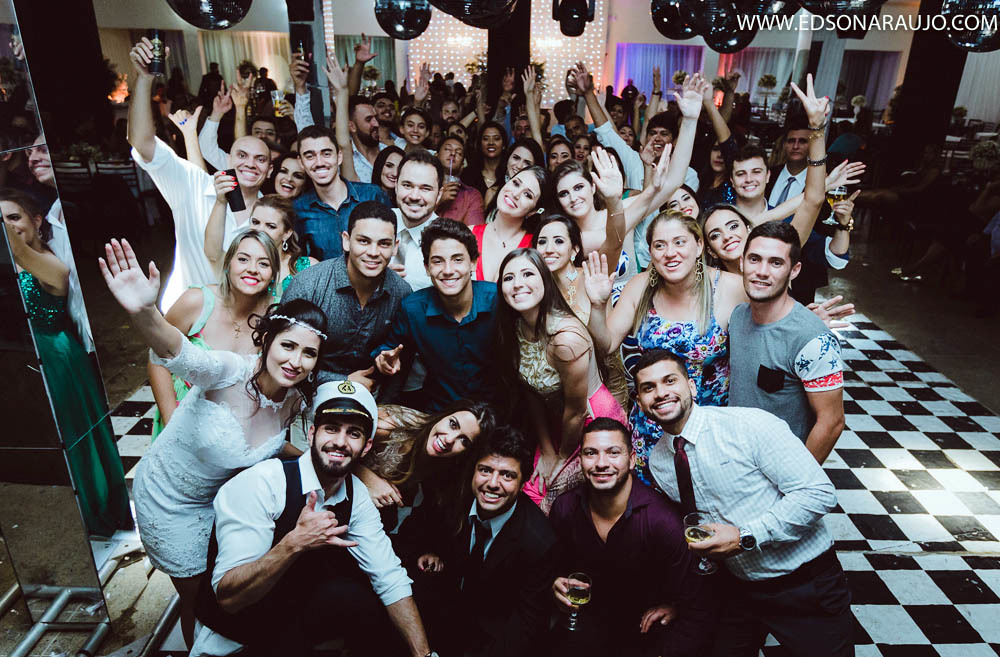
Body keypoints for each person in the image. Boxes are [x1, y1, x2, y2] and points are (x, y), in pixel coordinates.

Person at [98, 238, 327, 646]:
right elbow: (176, 351)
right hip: (168, 499)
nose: (296, 361)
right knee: (200, 600)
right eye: (287, 346)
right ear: (268, 342)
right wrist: (144, 312)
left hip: (218, 500)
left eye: (308, 353)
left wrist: (325, 460)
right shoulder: (228, 370)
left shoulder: (294, 399)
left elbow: (278, 447)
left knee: (231, 590)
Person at [191, 381, 437, 657]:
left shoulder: (356, 497)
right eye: (331, 428)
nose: (340, 442)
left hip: (288, 627)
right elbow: (229, 600)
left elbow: (388, 576)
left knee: (365, 599)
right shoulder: (263, 483)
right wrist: (293, 543)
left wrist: (424, 654)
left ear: (366, 447)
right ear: (311, 434)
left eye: (353, 433)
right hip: (232, 636)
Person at [634, 349, 851, 657]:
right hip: (738, 590)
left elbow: (818, 493)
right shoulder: (659, 462)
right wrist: (678, 599)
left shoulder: (748, 426)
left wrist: (745, 536)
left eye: (670, 380)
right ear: (641, 404)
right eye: (648, 388)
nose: (661, 393)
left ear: (692, 387)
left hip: (805, 584)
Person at [2, 191, 131, 538]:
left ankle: (96, 510)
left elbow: (17, 249)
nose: (9, 226)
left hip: (57, 359)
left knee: (73, 434)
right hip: (17, 363)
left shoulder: (54, 265)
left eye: (14, 217)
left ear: (36, 222)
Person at [547, 418, 717, 657]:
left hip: (646, 634)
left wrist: (675, 607)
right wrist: (555, 583)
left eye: (613, 452)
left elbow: (698, 609)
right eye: (591, 453)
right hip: (590, 628)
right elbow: (549, 571)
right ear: (580, 461)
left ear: (631, 459)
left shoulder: (660, 521)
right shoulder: (566, 508)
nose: (601, 463)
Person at [129, 38, 272, 309]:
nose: (251, 164)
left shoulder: (269, 215)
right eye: (241, 156)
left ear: (269, 169)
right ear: (226, 160)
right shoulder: (194, 185)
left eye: (260, 159)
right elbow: (141, 142)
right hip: (186, 321)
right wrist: (144, 78)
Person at [409, 426, 559, 657]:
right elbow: (413, 531)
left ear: (522, 483)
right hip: (441, 613)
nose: (492, 483)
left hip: (492, 637)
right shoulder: (452, 497)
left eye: (507, 475)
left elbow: (525, 626)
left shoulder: (539, 542)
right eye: (485, 470)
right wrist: (425, 551)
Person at [496, 248, 627, 512]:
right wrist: (545, 450)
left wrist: (561, 460)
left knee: (548, 504)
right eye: (509, 278)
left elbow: (576, 412)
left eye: (527, 274)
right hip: (558, 422)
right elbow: (531, 390)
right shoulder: (517, 327)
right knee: (528, 493)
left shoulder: (566, 339)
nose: (518, 283)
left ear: (545, 280)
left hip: (592, 422)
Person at [728, 221, 845, 462]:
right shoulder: (737, 317)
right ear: (741, 263)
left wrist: (796, 482)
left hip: (780, 470)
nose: (762, 271)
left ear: (794, 270)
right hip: (737, 462)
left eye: (776, 263)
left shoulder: (813, 341)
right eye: (754, 259)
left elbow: (832, 422)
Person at [152, 229, 280, 439]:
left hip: (238, 431)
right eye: (243, 259)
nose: (252, 269)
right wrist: (171, 422)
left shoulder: (275, 316)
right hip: (182, 420)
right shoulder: (196, 301)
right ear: (228, 264)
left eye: (263, 264)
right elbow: (157, 358)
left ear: (273, 273)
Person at [372, 218, 501, 411]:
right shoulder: (413, 309)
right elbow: (388, 348)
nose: (448, 270)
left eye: (457, 259)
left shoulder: (497, 300)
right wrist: (383, 360)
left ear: (473, 263)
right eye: (437, 261)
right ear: (427, 267)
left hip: (495, 413)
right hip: (440, 413)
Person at [282, 200, 411, 388]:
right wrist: (342, 382)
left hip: (369, 399)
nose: (373, 252)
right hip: (303, 395)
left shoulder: (402, 293)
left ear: (395, 246)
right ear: (346, 240)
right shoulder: (309, 285)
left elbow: (400, 364)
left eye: (383, 244)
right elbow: (282, 358)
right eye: (363, 241)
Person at [358, 400, 497, 534]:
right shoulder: (387, 426)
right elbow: (337, 443)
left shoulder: (449, 466)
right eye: (453, 424)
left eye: (464, 440)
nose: (449, 440)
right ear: (443, 416)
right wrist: (366, 477)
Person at [26, 134, 93, 351]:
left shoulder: (79, 210)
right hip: (81, 332)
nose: (33, 158)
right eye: (30, 152)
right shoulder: (51, 215)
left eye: (43, 150)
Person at [293, 125, 391, 260]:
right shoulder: (298, 209)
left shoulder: (372, 195)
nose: (319, 162)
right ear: (301, 162)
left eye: (326, 154)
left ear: (339, 157)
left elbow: (391, 243)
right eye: (310, 156)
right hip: (324, 281)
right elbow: (298, 261)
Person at [205, 180, 316, 296]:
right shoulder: (238, 264)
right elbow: (212, 254)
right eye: (255, 222)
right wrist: (221, 202)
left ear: (287, 233)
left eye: (271, 226)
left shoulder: (308, 267)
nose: (260, 230)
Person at [474, 166, 549, 283]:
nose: (515, 194)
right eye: (516, 183)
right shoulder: (468, 234)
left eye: (528, 195)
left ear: (533, 211)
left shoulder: (535, 248)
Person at [391, 149, 445, 290]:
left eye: (425, 188)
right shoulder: (376, 223)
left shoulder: (449, 240)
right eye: (407, 185)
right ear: (396, 186)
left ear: (439, 195)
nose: (414, 196)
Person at [435, 135, 485, 227]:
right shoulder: (422, 186)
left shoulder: (472, 196)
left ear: (462, 164)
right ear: (436, 156)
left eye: (459, 153)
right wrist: (438, 203)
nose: (453, 153)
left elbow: (474, 234)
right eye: (447, 149)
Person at [461, 121, 506, 201]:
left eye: (496, 139)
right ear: (480, 145)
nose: (491, 143)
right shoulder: (467, 174)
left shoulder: (509, 175)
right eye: (486, 139)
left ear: (504, 145)